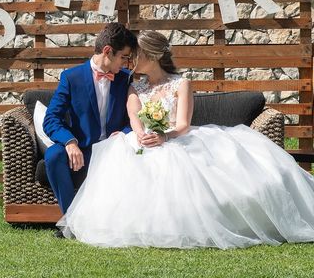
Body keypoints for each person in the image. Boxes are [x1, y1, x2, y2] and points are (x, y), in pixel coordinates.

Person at [56, 30, 314, 249]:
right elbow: (133, 115)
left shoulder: (181, 83)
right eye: (128, 55)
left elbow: (183, 125)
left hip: (176, 138)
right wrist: (139, 133)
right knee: (126, 159)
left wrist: (164, 136)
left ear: (153, 55)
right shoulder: (133, 85)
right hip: (142, 139)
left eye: (136, 55)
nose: (130, 60)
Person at [43, 23, 138, 216]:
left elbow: (135, 118)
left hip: (115, 149)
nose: (126, 63)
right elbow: (51, 118)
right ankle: (71, 220)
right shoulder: (71, 77)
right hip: (83, 150)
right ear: (107, 51)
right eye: (123, 57)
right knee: (54, 155)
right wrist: (69, 142)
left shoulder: (126, 79)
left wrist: (124, 134)